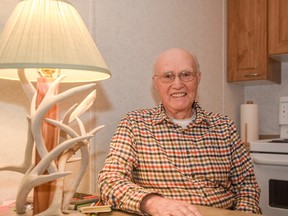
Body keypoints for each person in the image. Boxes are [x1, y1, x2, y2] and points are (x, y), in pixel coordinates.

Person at [98, 48, 262, 216]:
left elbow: (247, 186)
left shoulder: (225, 127)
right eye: (167, 76)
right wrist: (153, 203)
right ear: (156, 82)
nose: (177, 84)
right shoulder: (134, 124)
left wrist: (243, 214)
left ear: (198, 78)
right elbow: (110, 181)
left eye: (186, 74)